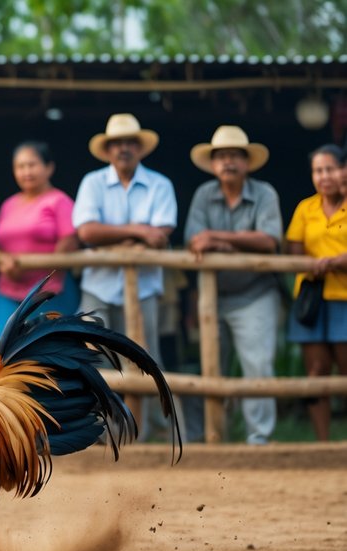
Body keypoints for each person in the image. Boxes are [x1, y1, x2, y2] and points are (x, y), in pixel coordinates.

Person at [184, 126, 283, 445]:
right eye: (221, 156)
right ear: (213, 164)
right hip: (213, 297)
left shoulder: (265, 192)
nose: (228, 162)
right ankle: (211, 439)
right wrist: (235, 244)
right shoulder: (203, 194)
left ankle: (259, 440)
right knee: (209, 368)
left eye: (235, 156)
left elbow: (268, 240)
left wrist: (221, 239)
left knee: (258, 367)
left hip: (256, 293)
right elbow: (194, 240)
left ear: (247, 162)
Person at [72, 113, 175, 361]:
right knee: (95, 364)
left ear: (140, 148)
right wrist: (138, 231)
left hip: (144, 288)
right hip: (98, 287)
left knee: (145, 363)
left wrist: (107, 235)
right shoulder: (92, 182)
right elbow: (86, 232)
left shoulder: (160, 184)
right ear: (108, 150)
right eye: (117, 143)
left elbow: (160, 235)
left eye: (130, 142)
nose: (123, 149)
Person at [0, 141, 80, 348]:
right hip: (7, 292)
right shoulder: (9, 204)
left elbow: (70, 241)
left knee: (52, 358)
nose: (26, 171)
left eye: (32, 165)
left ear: (49, 167)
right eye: (20, 166)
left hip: (48, 293)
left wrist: (42, 267)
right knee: (2, 358)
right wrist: (4, 261)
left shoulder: (59, 201)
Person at [285, 144, 347, 441]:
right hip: (312, 297)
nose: (324, 176)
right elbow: (293, 249)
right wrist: (314, 264)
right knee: (317, 370)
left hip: (344, 296)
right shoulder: (305, 208)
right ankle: (323, 442)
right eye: (317, 170)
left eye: (330, 169)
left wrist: (335, 261)